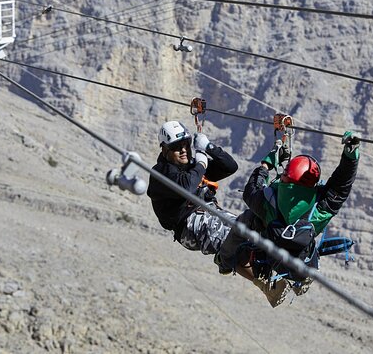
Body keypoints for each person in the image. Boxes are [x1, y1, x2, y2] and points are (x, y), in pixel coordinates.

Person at [215, 131, 360, 307]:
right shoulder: (320, 208)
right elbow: (341, 185)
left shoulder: (267, 200)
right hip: (303, 267)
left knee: (247, 220)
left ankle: (225, 263)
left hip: (269, 259)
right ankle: (301, 281)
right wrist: (350, 155)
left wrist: (266, 165)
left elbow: (251, 189)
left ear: (285, 178)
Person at [146, 120, 238, 255]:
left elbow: (230, 167)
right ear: (165, 149)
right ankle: (226, 259)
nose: (183, 150)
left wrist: (208, 147)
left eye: (186, 145)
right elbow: (186, 186)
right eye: (177, 147)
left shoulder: (192, 167)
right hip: (188, 226)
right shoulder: (161, 172)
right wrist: (201, 165)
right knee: (232, 238)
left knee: (247, 230)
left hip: (210, 213)